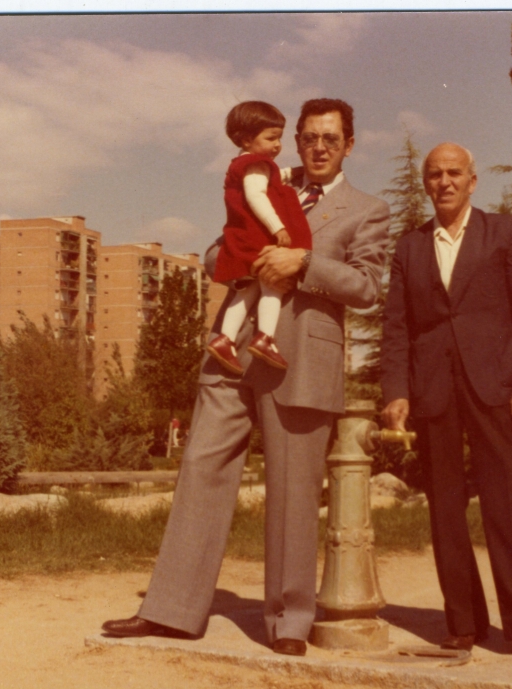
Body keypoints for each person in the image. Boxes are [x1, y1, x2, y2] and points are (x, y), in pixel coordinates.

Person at [102, 99, 390, 657]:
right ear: (297, 140)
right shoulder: (266, 178)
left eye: (331, 138)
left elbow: (368, 288)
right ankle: (171, 611)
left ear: (349, 145)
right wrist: (238, 254)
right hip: (231, 352)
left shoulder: (368, 210)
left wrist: (304, 264)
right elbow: (217, 255)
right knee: (201, 466)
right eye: (309, 137)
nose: (319, 147)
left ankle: (289, 620)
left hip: (304, 359)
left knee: (292, 490)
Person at [380, 143, 512, 656]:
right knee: (445, 511)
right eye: (435, 174)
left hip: (498, 388)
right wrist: (396, 391)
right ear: (427, 184)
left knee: (509, 505)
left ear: (473, 181)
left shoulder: (504, 233)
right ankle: (463, 622)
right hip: (434, 392)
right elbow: (396, 329)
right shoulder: (409, 247)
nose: (445, 181)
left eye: (455, 172)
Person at [207, 101, 312, 374]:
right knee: (272, 284)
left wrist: (289, 172)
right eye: (271, 138)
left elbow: (268, 181)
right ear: (246, 139)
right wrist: (278, 227)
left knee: (247, 290)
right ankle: (265, 337)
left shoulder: (244, 163)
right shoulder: (256, 164)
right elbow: (257, 195)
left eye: (279, 138)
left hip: (241, 239)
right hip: (257, 238)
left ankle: (225, 339)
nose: (277, 144)